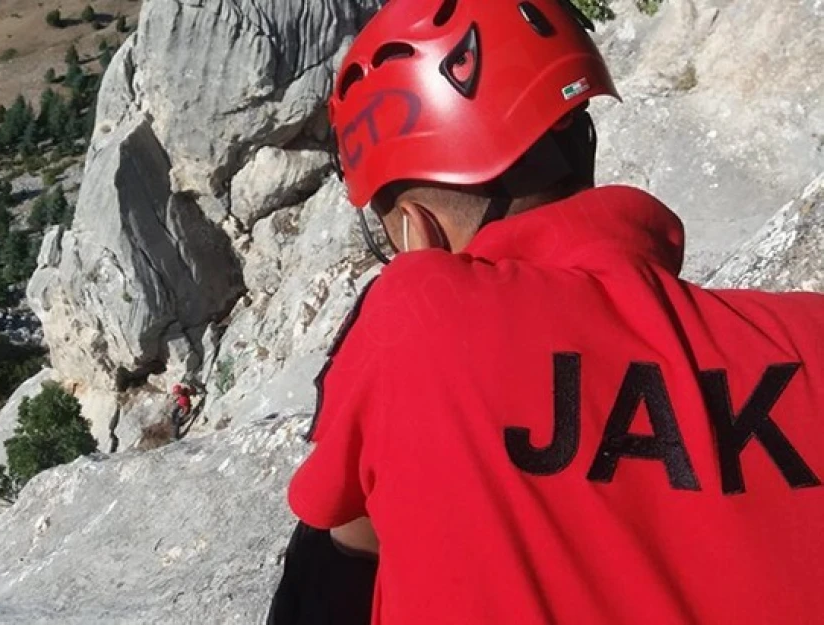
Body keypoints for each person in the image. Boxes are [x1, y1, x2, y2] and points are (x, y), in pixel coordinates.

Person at [277, 0, 824, 624]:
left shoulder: (416, 316)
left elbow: (340, 545)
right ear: (581, 141)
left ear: (413, 232)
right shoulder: (811, 340)